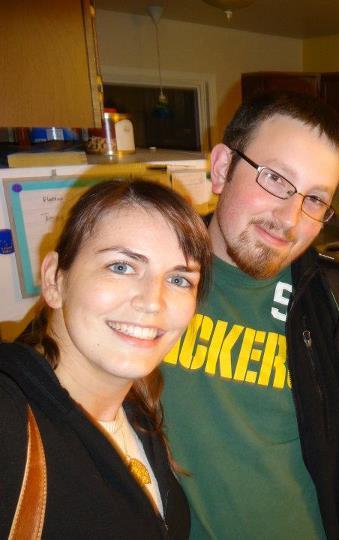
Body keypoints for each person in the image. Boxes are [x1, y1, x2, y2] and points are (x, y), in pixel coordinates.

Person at [160, 91, 339, 539]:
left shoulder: (333, 301)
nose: (290, 218)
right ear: (222, 167)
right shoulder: (143, 282)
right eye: (275, 179)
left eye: (315, 199)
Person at [0, 179, 212, 538]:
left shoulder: (138, 411)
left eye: (179, 280)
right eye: (122, 267)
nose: (153, 302)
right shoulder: (9, 418)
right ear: (54, 279)